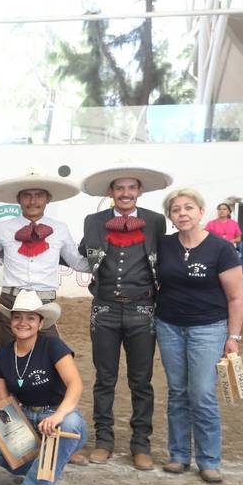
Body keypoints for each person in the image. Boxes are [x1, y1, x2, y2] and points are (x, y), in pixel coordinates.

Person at [78, 163, 171, 469]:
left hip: (142, 308)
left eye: (132, 188)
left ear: (140, 191)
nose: (126, 193)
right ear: (111, 192)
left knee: (141, 380)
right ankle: (104, 440)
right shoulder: (93, 221)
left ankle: (140, 443)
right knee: (104, 378)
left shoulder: (156, 222)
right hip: (104, 307)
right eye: (120, 188)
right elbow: (82, 252)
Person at [156, 188, 243, 483]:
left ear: (200, 212)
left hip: (208, 328)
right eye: (176, 209)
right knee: (177, 392)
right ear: (170, 216)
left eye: (188, 208)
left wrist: (233, 336)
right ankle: (179, 455)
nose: (182, 213)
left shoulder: (221, 249)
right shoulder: (165, 245)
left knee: (203, 394)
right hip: (168, 326)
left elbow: (235, 297)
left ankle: (208, 459)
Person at [0, 290, 88, 485]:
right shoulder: (1, 355)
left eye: (31, 318)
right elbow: (2, 399)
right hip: (24, 417)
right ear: (11, 321)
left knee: (71, 424)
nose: (23, 323)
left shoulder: (53, 346)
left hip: (56, 412)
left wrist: (58, 415)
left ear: (41, 323)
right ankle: (44, 466)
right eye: (17, 317)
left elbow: (75, 384)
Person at [0, 169, 90, 347]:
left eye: (39, 195)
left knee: (51, 356)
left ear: (48, 198)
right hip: (10, 301)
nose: (33, 201)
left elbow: (76, 262)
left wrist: (104, 263)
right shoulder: (4, 228)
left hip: (45, 301)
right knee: (8, 356)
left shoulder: (60, 229)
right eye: (27, 195)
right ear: (18, 199)